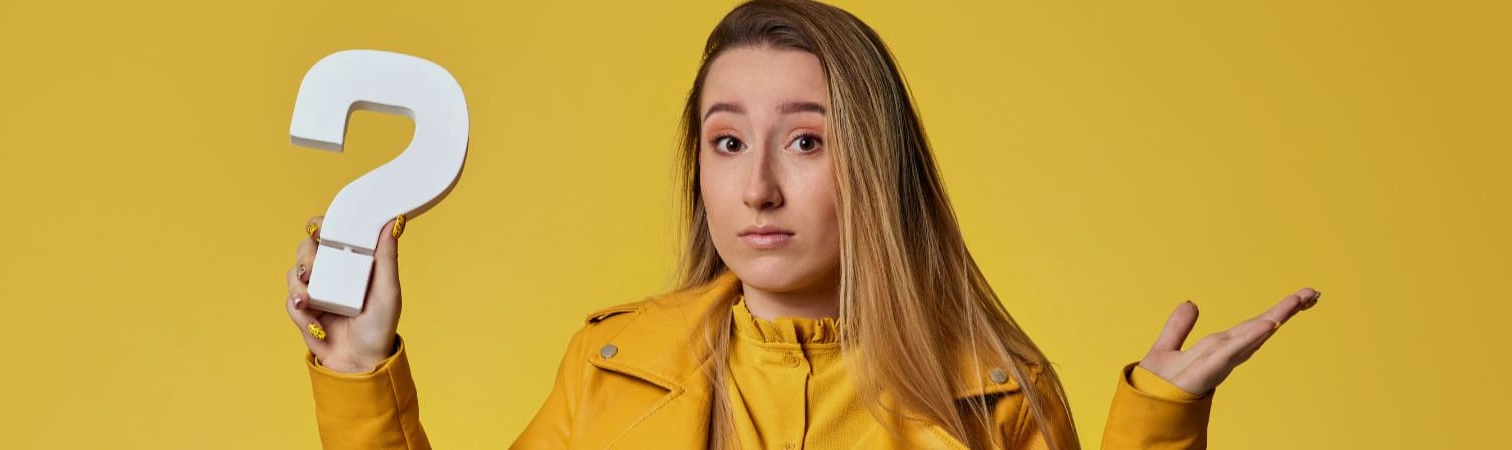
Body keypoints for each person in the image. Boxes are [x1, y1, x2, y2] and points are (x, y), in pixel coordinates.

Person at [281, 1, 1321, 448]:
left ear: (873, 165)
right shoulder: (610, 365)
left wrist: (1158, 424)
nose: (759, 188)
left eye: (808, 143)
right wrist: (362, 369)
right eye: (727, 143)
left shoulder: (994, 388)